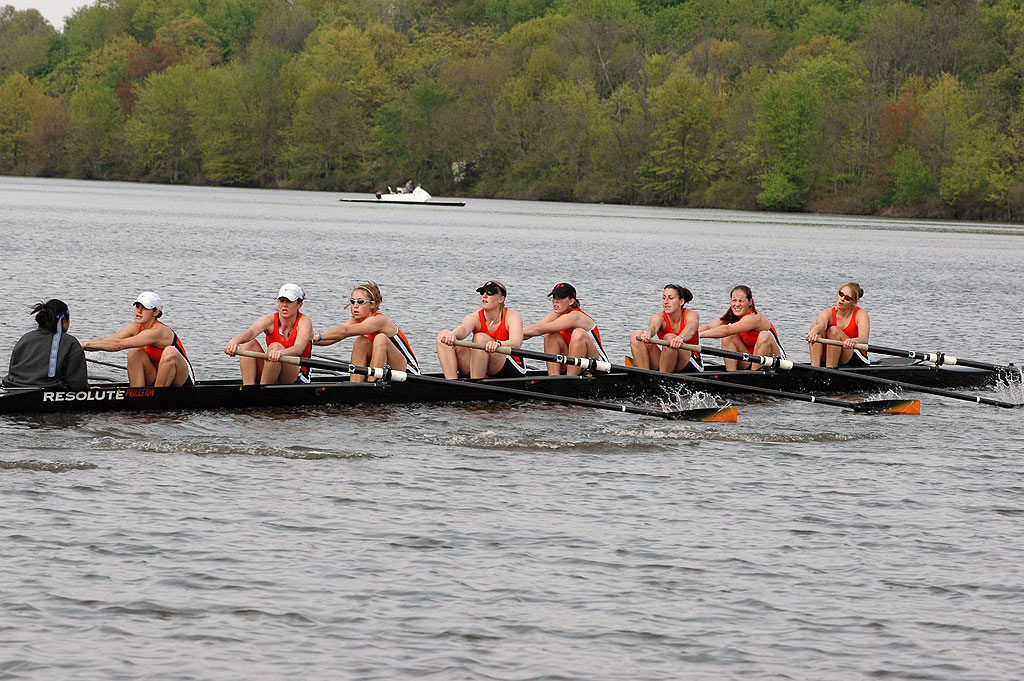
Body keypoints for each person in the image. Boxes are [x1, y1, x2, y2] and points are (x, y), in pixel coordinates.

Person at [83, 291, 195, 386]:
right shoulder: (134, 327)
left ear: (156, 312)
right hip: (156, 377)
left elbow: (118, 345)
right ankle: (137, 396)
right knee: (135, 352)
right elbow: (107, 341)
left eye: (145, 308)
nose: (139, 311)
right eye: (137, 306)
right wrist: (77, 345)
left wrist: (85, 345)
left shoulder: (159, 331)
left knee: (170, 352)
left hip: (181, 380)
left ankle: (157, 398)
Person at [313, 282, 419, 381]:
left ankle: (372, 383)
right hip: (384, 368)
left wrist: (319, 336)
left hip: (407, 371)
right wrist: (307, 341)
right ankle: (356, 384)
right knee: (361, 341)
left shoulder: (379, 320)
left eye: (360, 302)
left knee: (380, 338)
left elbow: (345, 331)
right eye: (352, 301)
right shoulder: (355, 321)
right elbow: (334, 338)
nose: (355, 306)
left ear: (372, 304)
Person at [224, 283, 313, 385]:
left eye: (289, 301)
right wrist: (234, 341)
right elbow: (250, 333)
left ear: (299, 304)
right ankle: (249, 390)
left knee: (275, 347)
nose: (284, 305)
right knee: (247, 343)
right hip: (273, 368)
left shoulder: (305, 322)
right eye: (281, 301)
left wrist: (281, 352)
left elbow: (299, 348)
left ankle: (263, 393)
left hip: (298, 376)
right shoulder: (269, 320)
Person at [436, 280, 526, 379]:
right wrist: (452, 335)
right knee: (443, 335)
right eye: (482, 292)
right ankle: (452, 384)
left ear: (501, 299)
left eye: (490, 293)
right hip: (481, 364)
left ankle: (476, 385)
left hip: (508, 366)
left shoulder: (512, 316)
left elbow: (517, 342)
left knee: (480, 338)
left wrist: (498, 344)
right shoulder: (475, 317)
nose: (484, 296)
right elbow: (464, 329)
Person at [522, 283, 608, 376]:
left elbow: (540, 330)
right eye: (554, 297)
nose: (555, 301)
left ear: (571, 301)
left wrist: (513, 333)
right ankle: (554, 379)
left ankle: (569, 380)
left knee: (578, 333)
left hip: (597, 367)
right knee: (551, 335)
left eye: (560, 298)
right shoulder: (556, 314)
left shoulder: (576, 316)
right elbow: (533, 330)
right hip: (575, 364)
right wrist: (507, 338)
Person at [3, 299, 88, 390]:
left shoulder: (25, 338)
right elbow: (78, 385)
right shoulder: (71, 342)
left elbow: (13, 370)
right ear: (64, 321)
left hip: (13, 390)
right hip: (46, 396)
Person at [698, 285, 786, 370]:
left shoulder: (754, 317)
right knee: (728, 338)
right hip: (750, 359)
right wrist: (687, 335)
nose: (737, 304)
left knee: (764, 335)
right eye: (734, 300)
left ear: (750, 302)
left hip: (774, 362)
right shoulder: (731, 314)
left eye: (741, 301)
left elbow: (727, 330)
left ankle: (754, 376)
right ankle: (731, 376)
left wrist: (700, 335)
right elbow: (709, 326)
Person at [629, 284, 703, 373]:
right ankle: (645, 377)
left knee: (669, 337)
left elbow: (691, 329)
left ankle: (663, 380)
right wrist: (647, 333)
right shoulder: (659, 317)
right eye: (664, 298)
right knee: (636, 336)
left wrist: (680, 337)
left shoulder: (691, 315)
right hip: (668, 360)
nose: (666, 302)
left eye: (671, 298)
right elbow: (653, 326)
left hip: (689, 363)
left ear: (681, 302)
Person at [805, 282, 870, 367]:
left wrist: (854, 340)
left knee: (834, 331)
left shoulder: (861, 314)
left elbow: (864, 338)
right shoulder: (826, 313)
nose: (842, 299)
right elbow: (821, 325)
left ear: (854, 302)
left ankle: (830, 370)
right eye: (841, 294)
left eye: (847, 298)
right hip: (836, 352)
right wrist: (813, 332)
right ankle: (814, 369)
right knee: (815, 327)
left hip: (855, 354)